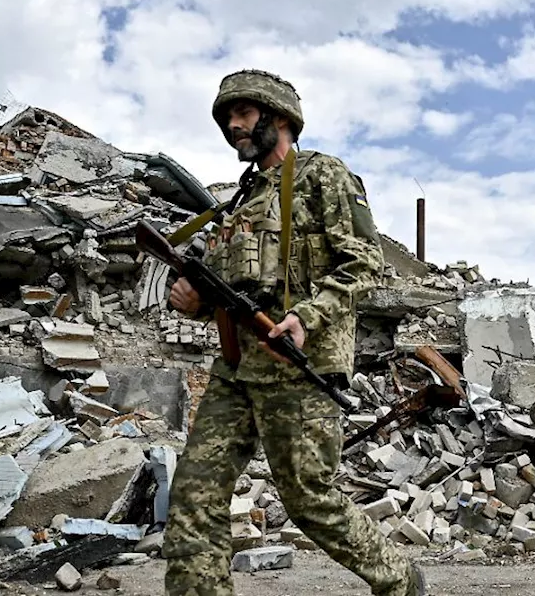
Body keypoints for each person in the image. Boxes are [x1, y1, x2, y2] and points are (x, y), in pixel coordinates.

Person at [161, 69, 426, 596]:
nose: (232, 125)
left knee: (308, 498)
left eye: (242, 113)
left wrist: (306, 317)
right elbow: (233, 286)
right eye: (226, 117)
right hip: (237, 368)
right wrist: (192, 300)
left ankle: (399, 580)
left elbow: (364, 262)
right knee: (194, 494)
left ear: (279, 118)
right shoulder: (240, 202)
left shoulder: (322, 175)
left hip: (299, 366)